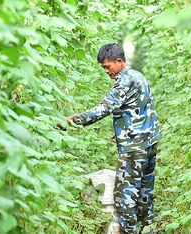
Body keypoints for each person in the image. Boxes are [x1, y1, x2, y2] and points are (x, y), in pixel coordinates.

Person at [59, 43, 161, 234]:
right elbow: (143, 107)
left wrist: (73, 120)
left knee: (125, 196)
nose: (106, 71)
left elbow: (102, 109)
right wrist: (123, 127)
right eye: (104, 68)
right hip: (150, 141)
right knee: (145, 192)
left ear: (119, 61)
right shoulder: (138, 76)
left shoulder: (123, 82)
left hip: (134, 147)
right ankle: (149, 229)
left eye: (108, 66)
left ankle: (129, 232)